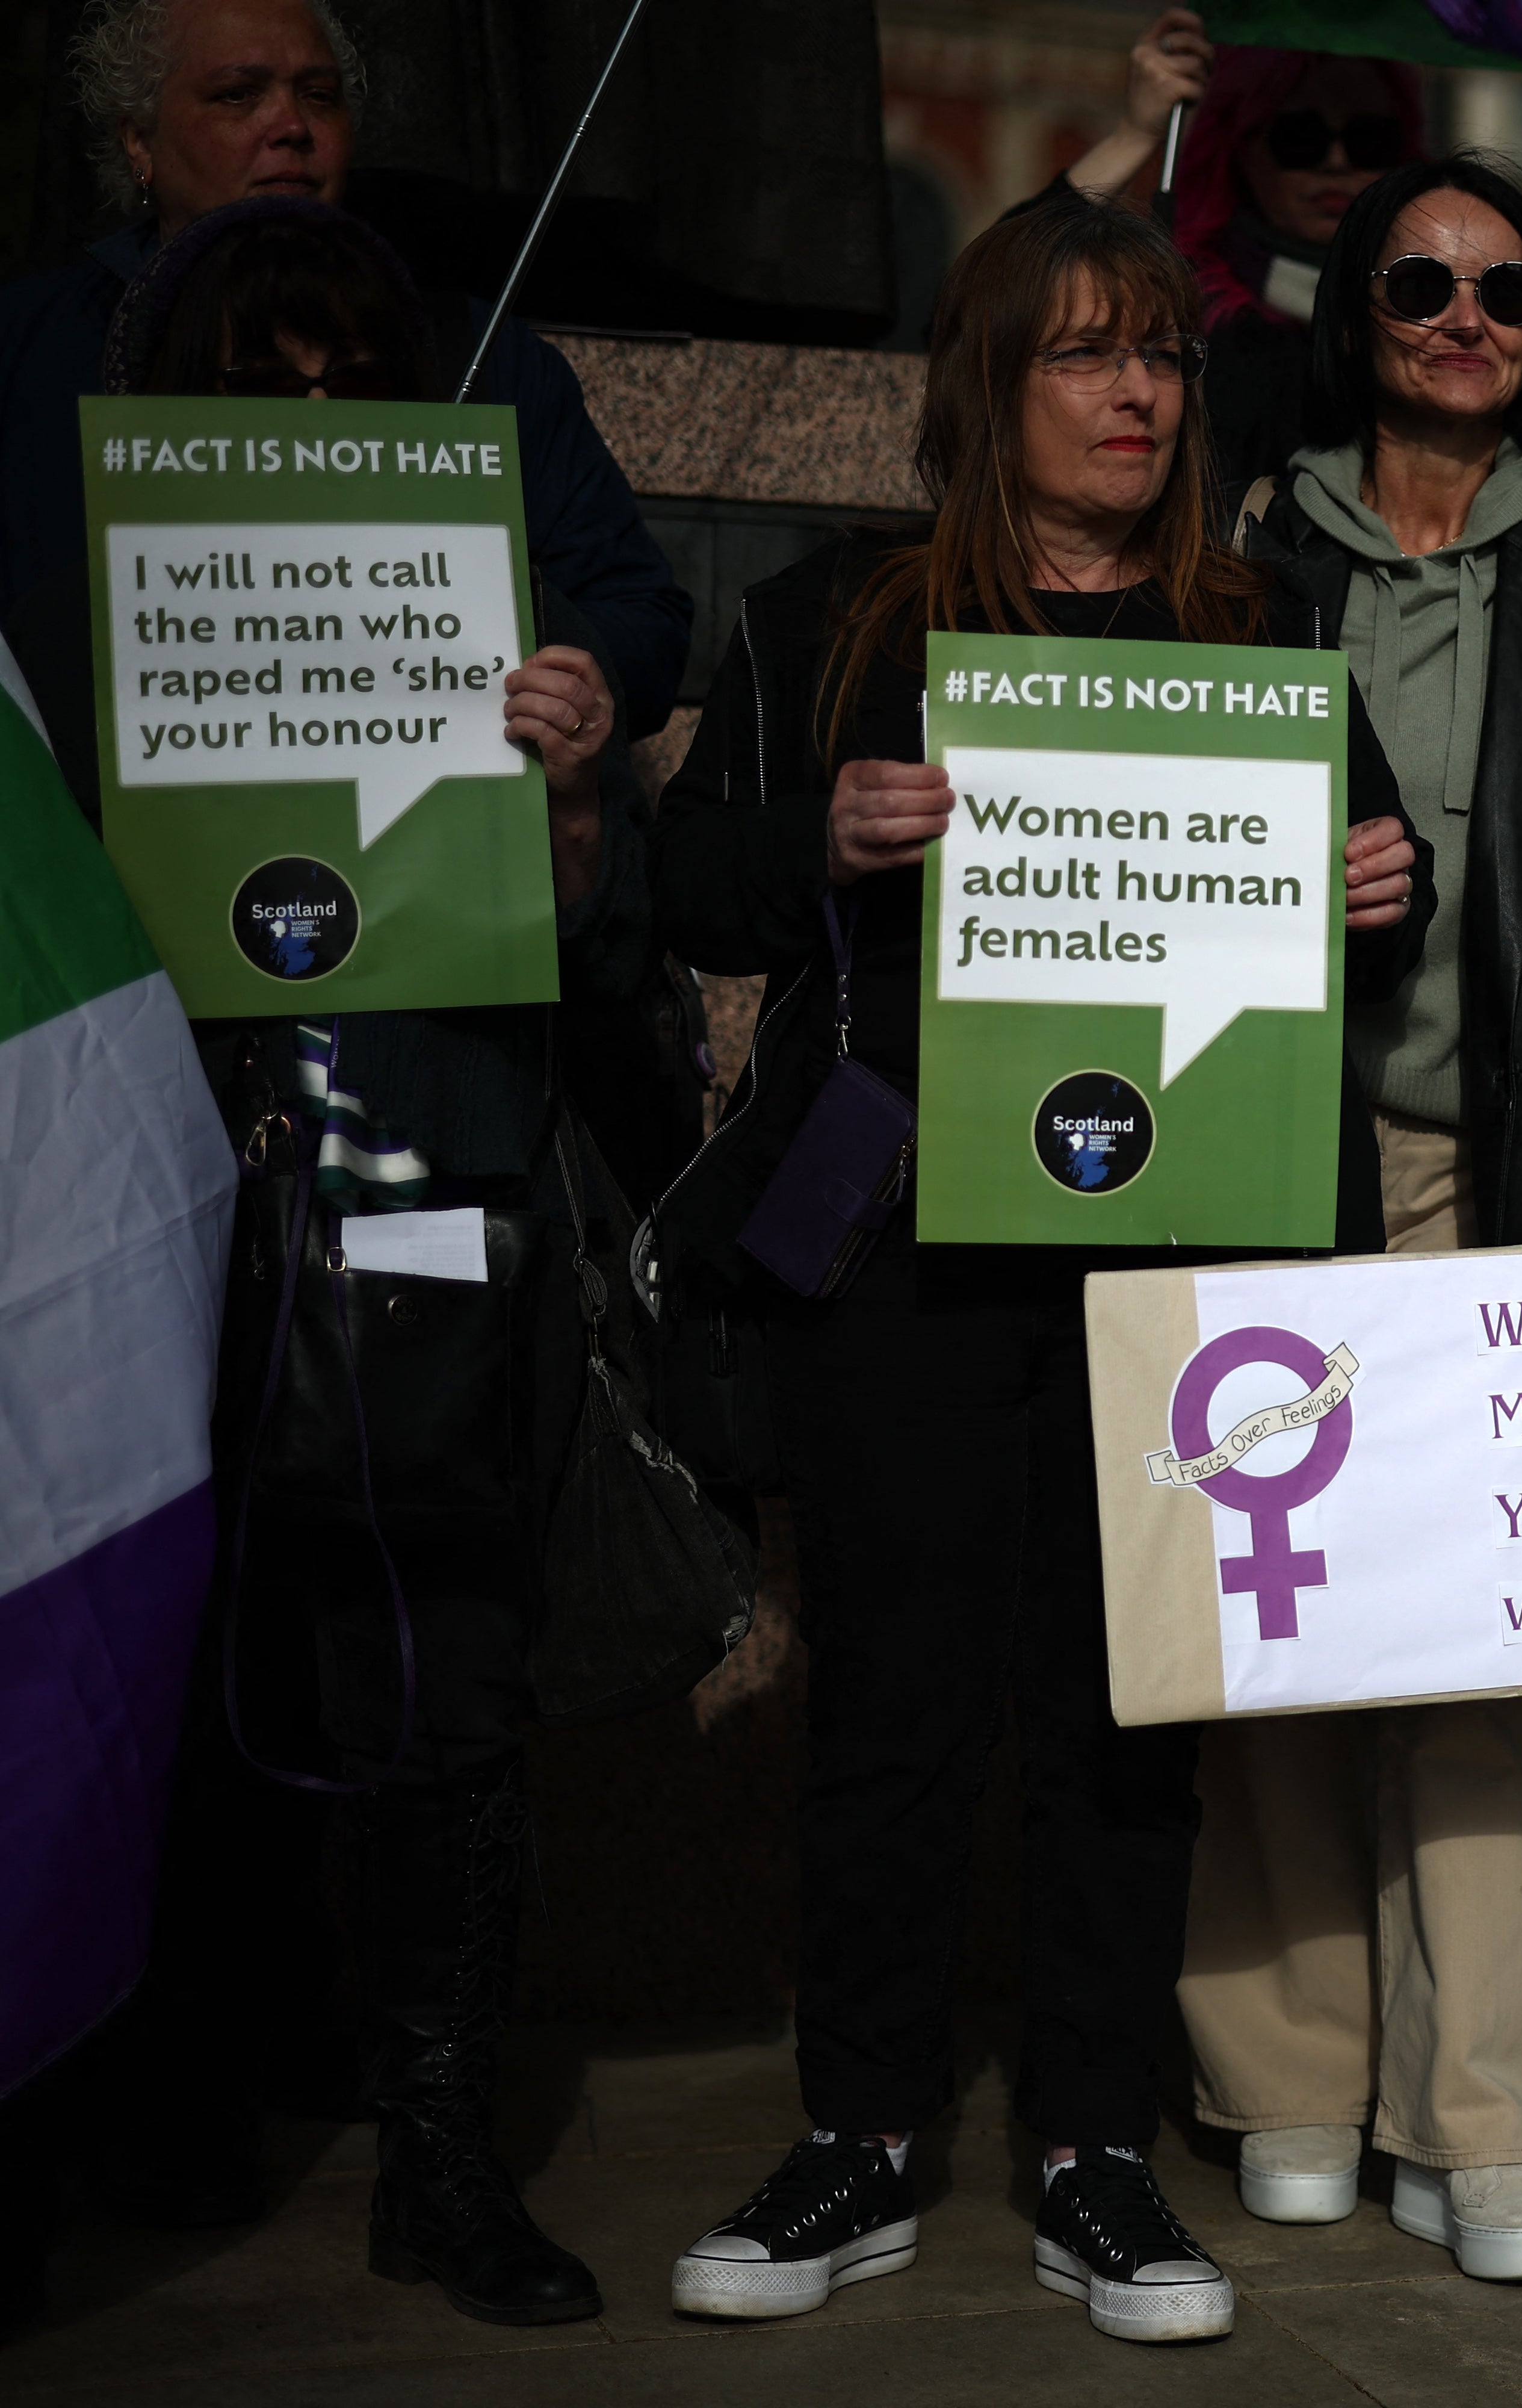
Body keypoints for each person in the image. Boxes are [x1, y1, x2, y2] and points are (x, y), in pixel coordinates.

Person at [645, 191, 1432, 2343]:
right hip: (910, 1256)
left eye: (1161, 357)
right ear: (985, 385)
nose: (1136, 394)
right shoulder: (836, 623)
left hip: (1177, 1267)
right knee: (889, 1712)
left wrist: (1392, 875)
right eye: (1085, 354)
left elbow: (1378, 915)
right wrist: (814, 829)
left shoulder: (1263, 634)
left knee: (1121, 1724)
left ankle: (1093, 2148)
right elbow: (681, 882)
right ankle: (864, 2137)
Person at [4, 196, 658, 2324]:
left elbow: (599, 958)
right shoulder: (70, 645)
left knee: (442, 1664)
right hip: (153, 1190)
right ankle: (156, 2101)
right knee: (174, 1643)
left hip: (437, 1171)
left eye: (344, 383)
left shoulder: (500, 613)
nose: (306, 416)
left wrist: (573, 787)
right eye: (259, 384)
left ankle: (443, 2143)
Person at [1171, 155, 1522, 2285]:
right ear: (1357, 314)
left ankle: (1479, 2115)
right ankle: (1293, 2077)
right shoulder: (1241, 546)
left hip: (1516, 1166)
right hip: (1264, 1148)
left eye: (1503, 284)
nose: (1464, 313)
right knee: (1271, 1612)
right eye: (1419, 280)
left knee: (1492, 1635)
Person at [0, 0, 689, 736]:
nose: (292, 125)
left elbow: (642, 623)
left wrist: (532, 669)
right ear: (138, 141)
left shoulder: (484, 356)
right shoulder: (25, 347)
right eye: (239, 94)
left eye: (319, 96)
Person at [1059, 13, 1522, 524]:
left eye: (1367, 138)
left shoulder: (1489, 322)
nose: (1333, 161)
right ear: (1238, 146)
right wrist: (1135, 133)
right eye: (1296, 137)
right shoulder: (1181, 328)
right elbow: (1004, 323)